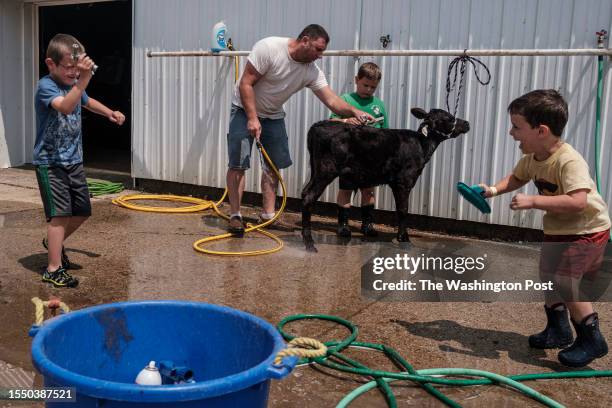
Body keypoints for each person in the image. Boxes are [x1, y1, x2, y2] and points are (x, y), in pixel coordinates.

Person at [480, 89, 609, 367]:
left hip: (587, 230)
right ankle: (558, 330)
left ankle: (592, 340)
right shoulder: (532, 158)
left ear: (541, 131)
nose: (511, 132)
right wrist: (492, 190)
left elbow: (578, 202)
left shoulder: (568, 161)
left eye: (517, 127)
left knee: (565, 280)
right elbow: (516, 178)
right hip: (559, 229)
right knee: (548, 276)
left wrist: (533, 201)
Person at [226, 24, 374, 235]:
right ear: (305, 40)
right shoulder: (269, 48)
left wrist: (354, 111)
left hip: (273, 114)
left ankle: (268, 216)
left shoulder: (311, 71)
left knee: (273, 165)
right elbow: (246, 83)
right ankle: (235, 216)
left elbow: (332, 100)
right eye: (318, 49)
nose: (320, 56)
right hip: (243, 108)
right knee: (238, 163)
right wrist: (251, 117)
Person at [34, 34, 125, 287]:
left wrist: (109, 112)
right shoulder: (47, 86)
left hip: (73, 161)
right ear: (51, 64)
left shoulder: (75, 85)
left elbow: (86, 101)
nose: (74, 73)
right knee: (60, 215)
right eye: (69, 68)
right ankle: (53, 268)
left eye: (78, 68)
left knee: (82, 211)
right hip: (50, 162)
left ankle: (53, 242)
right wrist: (83, 79)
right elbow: (65, 106)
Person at [329, 62, 388, 238]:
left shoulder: (379, 104)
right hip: (349, 156)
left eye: (373, 87)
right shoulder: (346, 100)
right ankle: (343, 225)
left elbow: (385, 131)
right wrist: (346, 121)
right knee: (346, 190)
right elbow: (331, 122)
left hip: (371, 157)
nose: (369, 90)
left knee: (368, 190)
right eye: (365, 85)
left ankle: (367, 225)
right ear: (356, 80)